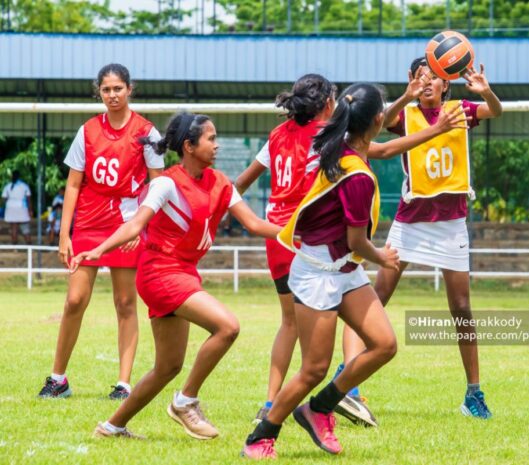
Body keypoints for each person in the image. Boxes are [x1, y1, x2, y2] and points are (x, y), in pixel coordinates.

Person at [236, 74, 469, 428]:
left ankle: (277, 403)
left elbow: (241, 183)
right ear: (329, 104)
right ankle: (295, 415)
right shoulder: (330, 141)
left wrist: (232, 211)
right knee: (316, 364)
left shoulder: (279, 135)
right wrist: (435, 128)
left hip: (287, 238)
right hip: (313, 241)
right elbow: (383, 151)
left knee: (299, 326)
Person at [72, 112, 281, 440]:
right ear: (189, 146)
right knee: (227, 327)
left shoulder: (221, 183)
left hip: (184, 273)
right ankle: (185, 401)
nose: (217, 145)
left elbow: (254, 224)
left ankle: (111, 427)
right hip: (159, 273)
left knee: (168, 366)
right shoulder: (166, 183)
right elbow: (135, 224)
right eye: (211, 138)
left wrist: (296, 234)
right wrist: (98, 249)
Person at [242, 83, 405, 459]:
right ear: (378, 120)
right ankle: (261, 437)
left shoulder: (342, 148)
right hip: (319, 271)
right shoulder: (355, 174)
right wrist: (383, 258)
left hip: (342, 268)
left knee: (384, 345)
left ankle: (319, 409)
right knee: (314, 369)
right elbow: (357, 241)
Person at [341, 57, 503, 421]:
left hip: (451, 224)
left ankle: (473, 394)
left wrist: (486, 91)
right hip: (411, 221)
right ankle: (347, 380)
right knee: (375, 298)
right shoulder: (406, 115)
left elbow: (495, 111)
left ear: (446, 84)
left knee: (461, 307)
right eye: (420, 77)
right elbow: (375, 128)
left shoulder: (460, 110)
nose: (427, 82)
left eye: (433, 77)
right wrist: (405, 96)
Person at [38, 63, 164, 400]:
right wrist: (64, 235)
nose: (112, 95)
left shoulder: (147, 132)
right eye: (106, 89)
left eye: (118, 88)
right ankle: (58, 379)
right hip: (89, 223)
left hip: (126, 224)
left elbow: (158, 186)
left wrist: (142, 226)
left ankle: (123, 384)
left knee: (125, 302)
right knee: (74, 300)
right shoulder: (88, 130)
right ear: (99, 92)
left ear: (129, 89)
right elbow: (73, 184)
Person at [1, 170, 33, 244]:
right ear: (19, 176)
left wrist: (9, 202)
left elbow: (3, 199)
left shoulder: (7, 186)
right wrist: (30, 210)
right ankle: (29, 244)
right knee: (25, 227)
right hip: (22, 207)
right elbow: (28, 200)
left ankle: (14, 246)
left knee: (13, 227)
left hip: (10, 208)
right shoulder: (24, 186)